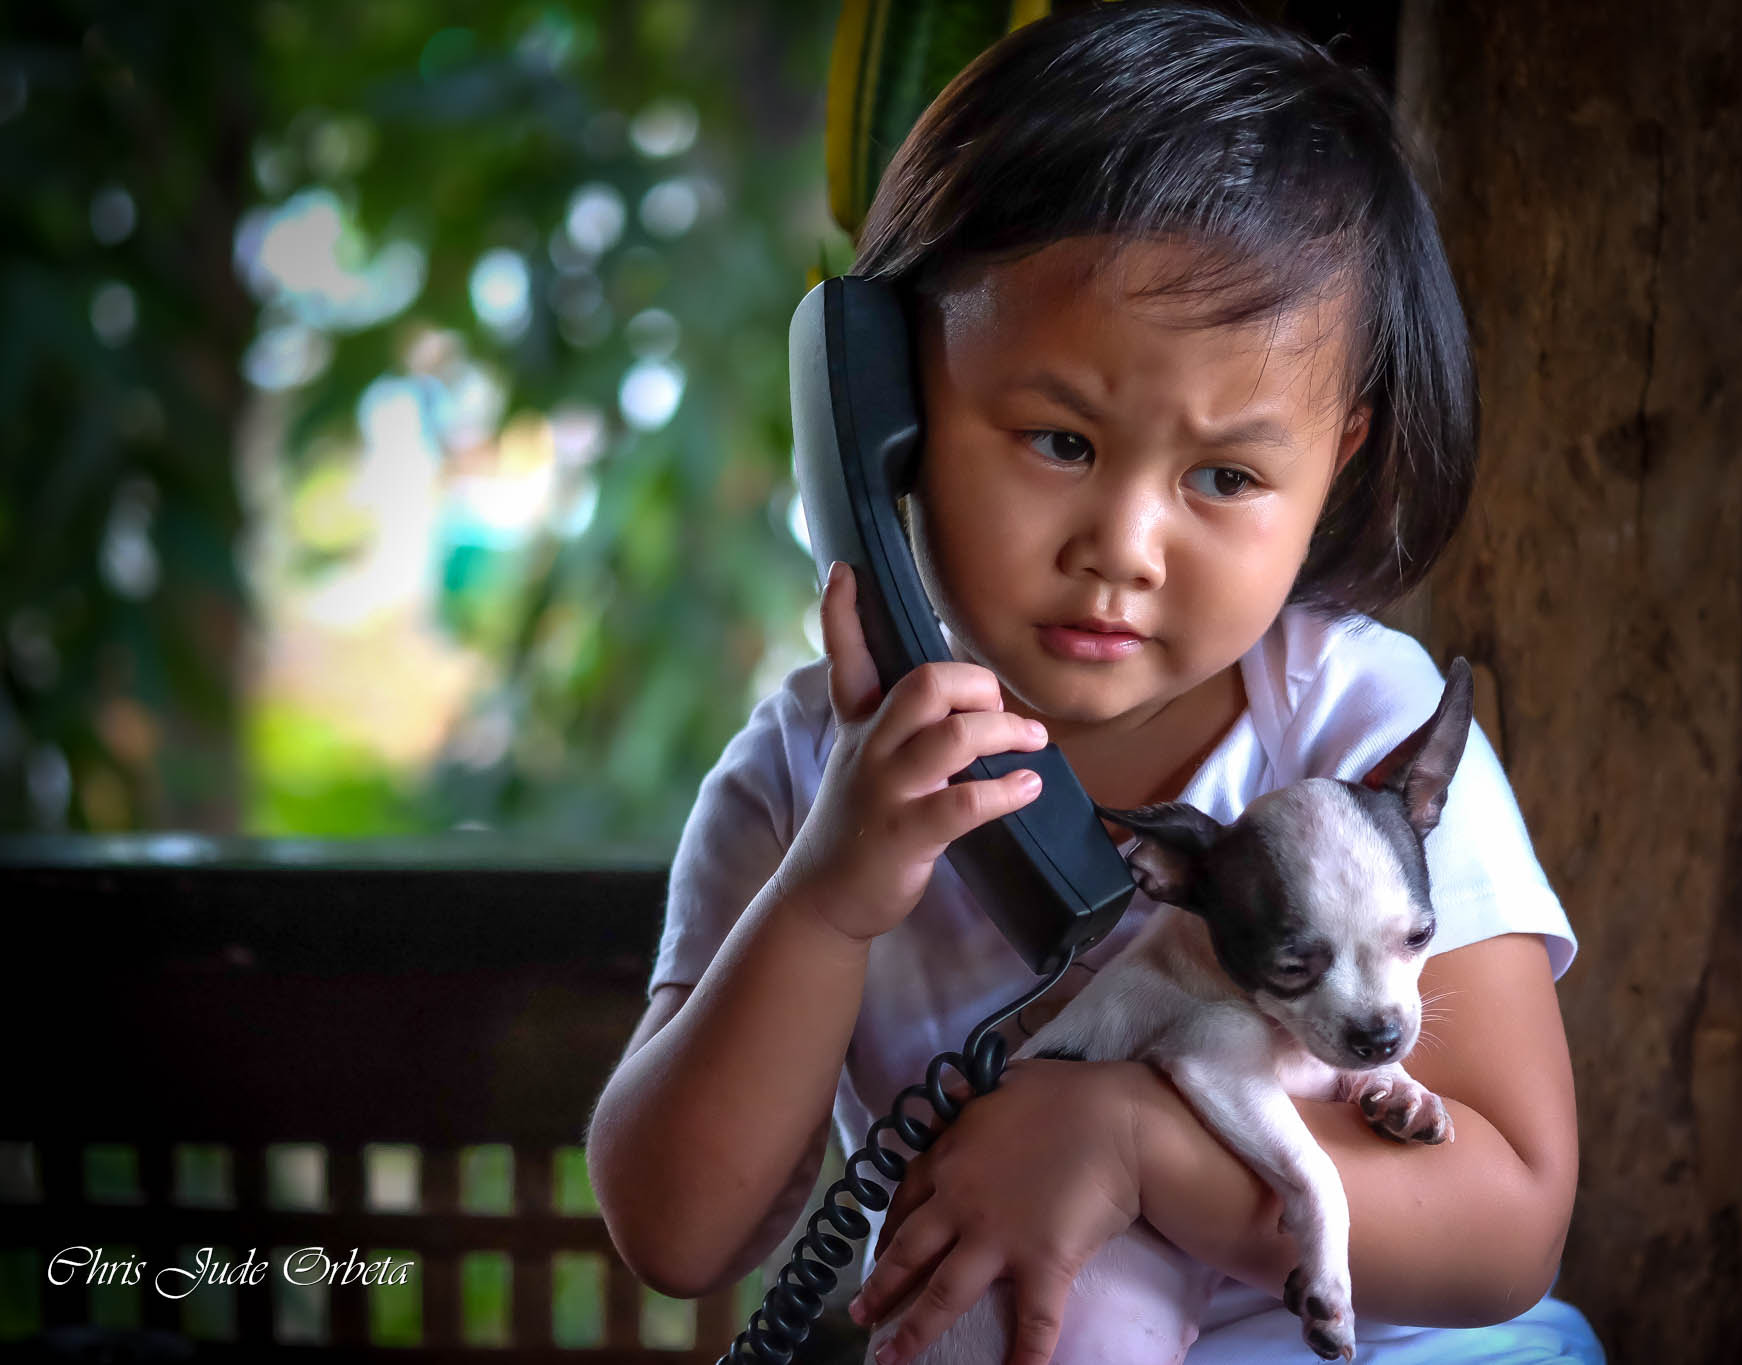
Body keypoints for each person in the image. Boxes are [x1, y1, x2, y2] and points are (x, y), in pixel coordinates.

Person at [588, 3, 1604, 1361]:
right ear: (883, 407)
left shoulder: (1366, 729)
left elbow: (1508, 1225)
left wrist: (1135, 1147)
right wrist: (828, 902)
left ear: (1336, 464)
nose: (1123, 547)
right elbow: (676, 1229)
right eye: (1060, 439)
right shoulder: (798, 783)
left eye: (1225, 478)